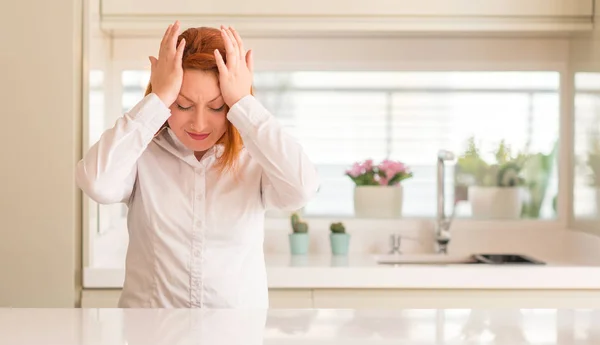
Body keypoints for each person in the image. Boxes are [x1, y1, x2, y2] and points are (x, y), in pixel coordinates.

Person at [76, 21, 319, 308]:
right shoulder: (141, 152)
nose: (199, 124)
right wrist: (158, 97)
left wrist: (245, 102)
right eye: (183, 105)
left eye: (217, 106)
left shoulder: (255, 156)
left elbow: (301, 189)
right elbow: (96, 182)